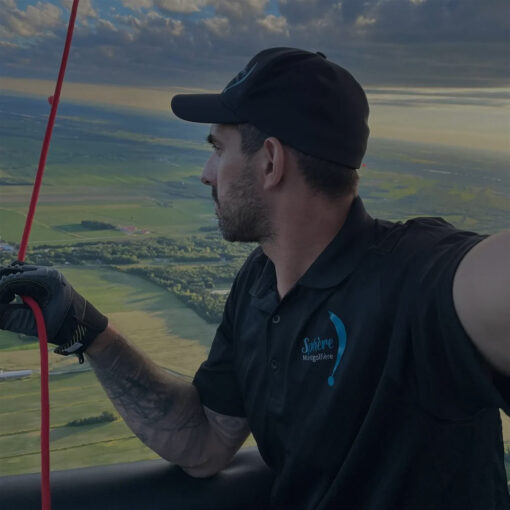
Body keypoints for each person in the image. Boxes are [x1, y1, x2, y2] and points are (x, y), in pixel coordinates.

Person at [0, 47, 509, 509]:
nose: (206, 172)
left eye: (218, 149)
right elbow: (203, 443)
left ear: (270, 162)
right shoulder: (259, 284)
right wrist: (82, 327)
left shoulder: (415, 276)